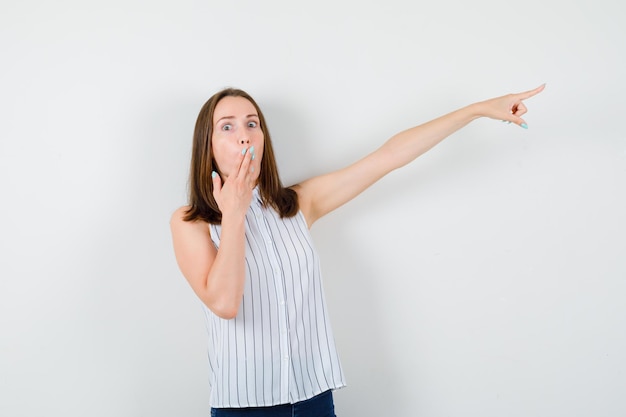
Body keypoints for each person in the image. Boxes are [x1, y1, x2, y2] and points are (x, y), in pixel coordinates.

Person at [170, 85, 545, 416]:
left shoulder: (296, 204)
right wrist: (233, 214)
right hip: (245, 408)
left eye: (252, 123)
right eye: (227, 126)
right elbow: (224, 303)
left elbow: (388, 157)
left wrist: (476, 110)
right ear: (208, 144)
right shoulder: (191, 222)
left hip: (313, 398)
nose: (244, 135)